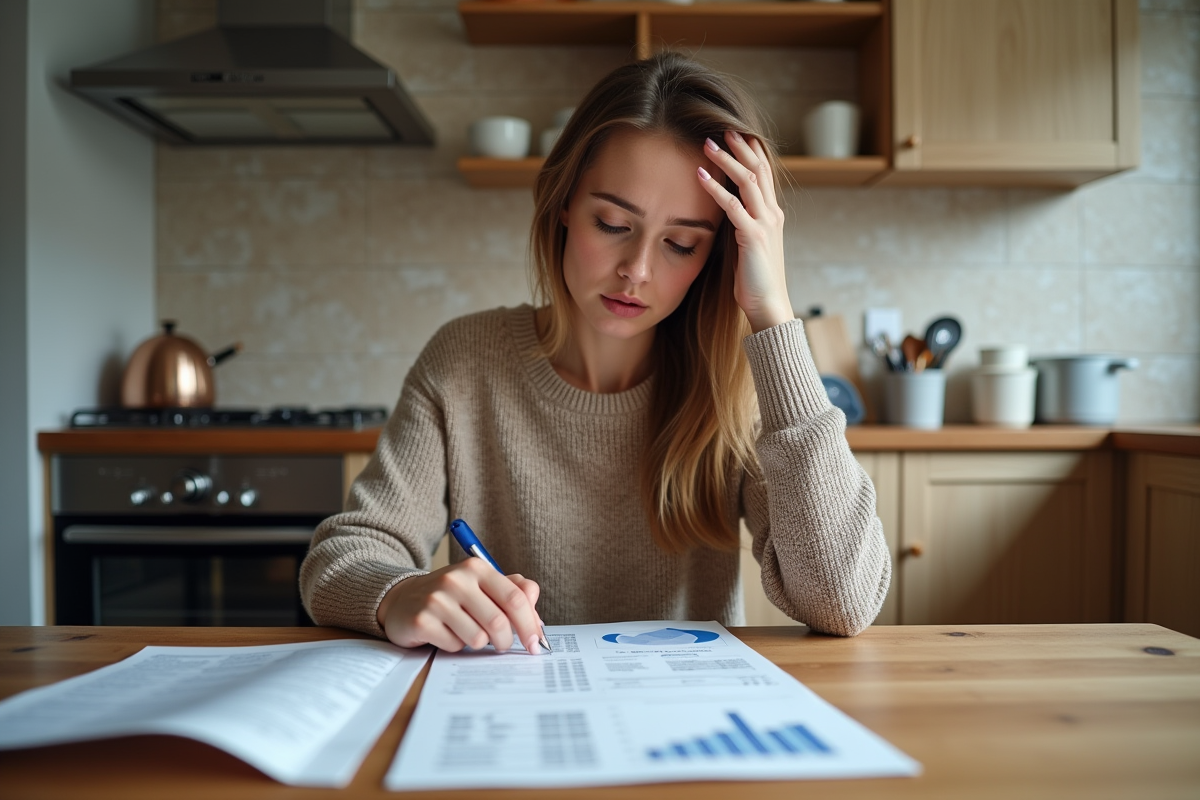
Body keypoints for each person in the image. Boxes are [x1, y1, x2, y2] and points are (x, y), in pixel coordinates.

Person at [300, 52, 890, 655]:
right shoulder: (464, 362)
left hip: (686, 706)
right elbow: (342, 558)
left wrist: (773, 313)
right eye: (611, 223)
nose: (637, 270)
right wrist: (398, 593)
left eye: (681, 244)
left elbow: (842, 601)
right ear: (563, 204)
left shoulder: (740, 385)